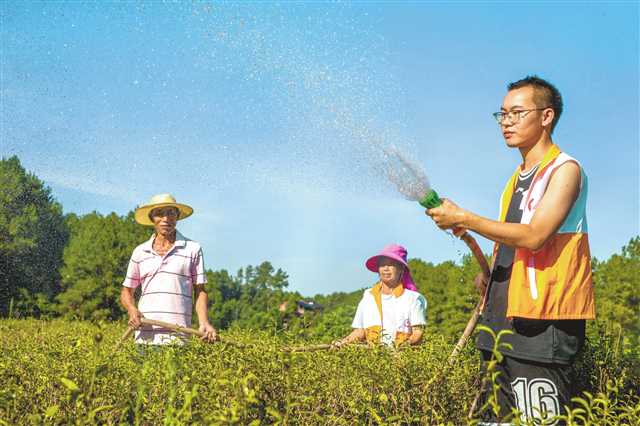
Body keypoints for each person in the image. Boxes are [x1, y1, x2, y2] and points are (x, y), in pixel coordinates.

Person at [426, 76, 595, 424]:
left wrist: (466, 217)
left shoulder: (565, 170)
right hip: (499, 324)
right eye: (502, 114)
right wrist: (489, 274)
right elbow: (511, 242)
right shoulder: (515, 179)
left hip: (541, 324)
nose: (506, 122)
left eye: (517, 113)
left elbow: (535, 236)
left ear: (546, 116)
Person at [120, 193, 217, 345]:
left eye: (171, 213)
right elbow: (127, 291)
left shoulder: (193, 249)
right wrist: (131, 309)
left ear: (177, 217)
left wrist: (204, 322)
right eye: (159, 214)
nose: (166, 219)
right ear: (152, 218)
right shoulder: (140, 251)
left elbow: (200, 290)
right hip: (145, 338)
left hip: (178, 337)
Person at [333, 244, 427, 348]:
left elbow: (418, 333)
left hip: (402, 358)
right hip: (374, 358)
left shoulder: (412, 299)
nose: (386, 268)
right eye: (382, 265)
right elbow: (360, 331)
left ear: (401, 269)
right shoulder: (368, 296)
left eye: (391, 265)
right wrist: (342, 342)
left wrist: (402, 347)